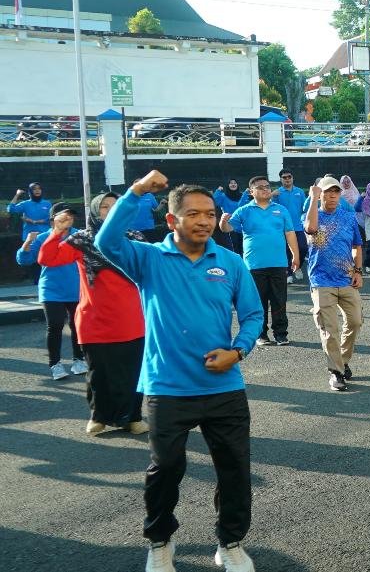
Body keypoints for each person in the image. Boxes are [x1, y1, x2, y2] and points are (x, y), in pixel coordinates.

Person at [96, 170, 262, 572]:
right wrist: (136, 192)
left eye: (209, 213)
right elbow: (106, 241)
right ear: (172, 220)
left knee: (235, 468)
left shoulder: (231, 262)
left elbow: (254, 315)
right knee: (166, 468)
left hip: (224, 386)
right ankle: (160, 541)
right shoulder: (148, 258)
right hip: (166, 386)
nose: (204, 221)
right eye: (193, 214)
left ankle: (230, 542)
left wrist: (238, 351)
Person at [39, 192, 147, 435]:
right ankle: (99, 416)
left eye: (116, 206)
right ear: (96, 212)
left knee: (133, 373)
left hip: (133, 320)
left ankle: (133, 417)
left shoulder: (136, 239)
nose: (110, 211)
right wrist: (57, 232)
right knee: (99, 374)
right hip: (94, 320)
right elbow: (48, 258)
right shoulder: (81, 240)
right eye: (105, 207)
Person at [221, 176, 300, 347]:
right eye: (261, 187)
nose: (266, 189)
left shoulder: (280, 210)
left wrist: (296, 255)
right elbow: (228, 228)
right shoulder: (244, 210)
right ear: (251, 191)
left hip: (279, 262)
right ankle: (261, 334)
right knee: (259, 301)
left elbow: (290, 233)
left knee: (279, 300)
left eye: (267, 186)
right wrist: (223, 222)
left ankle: (281, 334)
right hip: (254, 264)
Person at [305, 176, 366, 389]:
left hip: (346, 278)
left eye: (336, 192)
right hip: (321, 280)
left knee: (356, 321)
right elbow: (311, 229)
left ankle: (342, 360)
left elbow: (357, 246)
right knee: (330, 329)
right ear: (320, 193)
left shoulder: (348, 217)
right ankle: (336, 372)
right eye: (327, 192)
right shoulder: (313, 215)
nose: (332, 195)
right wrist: (313, 199)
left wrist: (358, 271)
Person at [16, 203, 85, 380]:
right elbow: (24, 260)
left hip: (75, 287)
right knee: (54, 325)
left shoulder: (79, 235)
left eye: (70, 216)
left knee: (78, 325)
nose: (68, 219)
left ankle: (79, 360)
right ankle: (55, 364)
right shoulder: (42, 238)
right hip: (51, 289)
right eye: (64, 216)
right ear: (53, 219)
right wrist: (27, 242)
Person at [273, 169, 308, 283]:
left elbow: (305, 208)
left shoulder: (300, 192)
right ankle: (288, 272)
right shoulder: (277, 193)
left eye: (289, 177)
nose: (287, 179)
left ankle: (297, 267)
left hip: (298, 226)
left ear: (292, 178)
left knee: (303, 247)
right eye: (284, 177)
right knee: (286, 251)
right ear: (281, 179)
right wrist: (272, 195)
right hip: (282, 228)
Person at [213, 179, 245, 252]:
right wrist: (218, 191)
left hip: (243, 225)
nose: (233, 184)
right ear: (227, 185)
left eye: (235, 183)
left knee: (244, 247)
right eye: (231, 183)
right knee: (233, 247)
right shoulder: (223, 196)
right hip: (229, 225)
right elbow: (214, 201)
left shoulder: (243, 195)